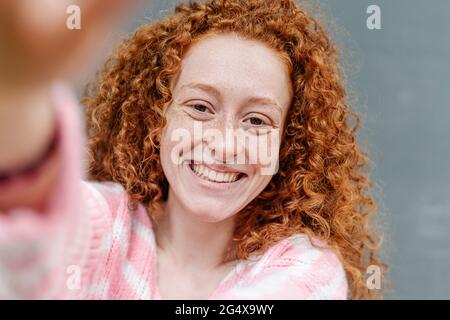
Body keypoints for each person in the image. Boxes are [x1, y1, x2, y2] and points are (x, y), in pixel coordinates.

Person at [0, 0, 385, 299]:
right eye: (200, 108)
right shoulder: (105, 223)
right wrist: (18, 90)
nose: (223, 143)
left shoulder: (305, 271)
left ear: (288, 144)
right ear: (158, 118)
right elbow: (29, 236)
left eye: (256, 121)